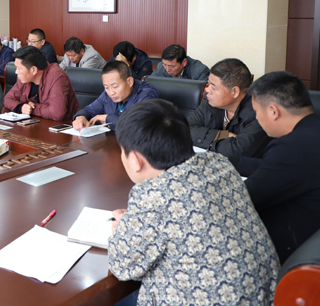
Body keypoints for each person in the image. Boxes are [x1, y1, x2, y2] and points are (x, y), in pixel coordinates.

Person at [109, 100, 278, 306]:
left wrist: (123, 230)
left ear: (135, 159)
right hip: (263, 295)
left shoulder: (152, 194)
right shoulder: (219, 163)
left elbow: (122, 267)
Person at [231, 71, 320, 262]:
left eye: (256, 112)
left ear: (273, 111)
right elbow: (280, 169)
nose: (257, 118)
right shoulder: (312, 132)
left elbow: (244, 199)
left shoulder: (291, 146)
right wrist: (230, 162)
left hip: (293, 251)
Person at [188, 58, 271, 158]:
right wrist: (222, 135)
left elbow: (238, 151)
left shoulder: (259, 112)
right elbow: (184, 129)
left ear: (235, 92)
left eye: (213, 87)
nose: (207, 90)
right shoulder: (210, 100)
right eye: (208, 84)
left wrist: (206, 141)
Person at [73, 61, 158, 131]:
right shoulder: (107, 94)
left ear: (129, 81)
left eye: (115, 86)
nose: (111, 92)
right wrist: (80, 117)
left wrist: (108, 118)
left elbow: (138, 124)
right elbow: (90, 109)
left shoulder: (147, 94)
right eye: (106, 87)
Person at [3, 46, 79, 122]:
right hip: (36, 123)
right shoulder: (23, 78)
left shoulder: (57, 77)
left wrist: (32, 109)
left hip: (63, 125)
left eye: (19, 68)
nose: (16, 72)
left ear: (33, 70)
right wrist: (21, 107)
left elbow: (57, 113)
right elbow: (7, 99)